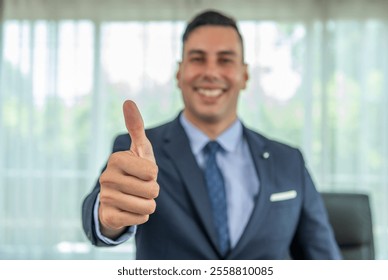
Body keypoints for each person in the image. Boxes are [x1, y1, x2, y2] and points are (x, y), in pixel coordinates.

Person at [82, 10, 341, 260]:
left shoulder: (289, 161)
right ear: (179, 73)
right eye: (197, 59)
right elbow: (100, 216)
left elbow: (323, 258)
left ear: (245, 75)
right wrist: (106, 216)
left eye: (225, 59)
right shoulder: (139, 149)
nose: (211, 72)